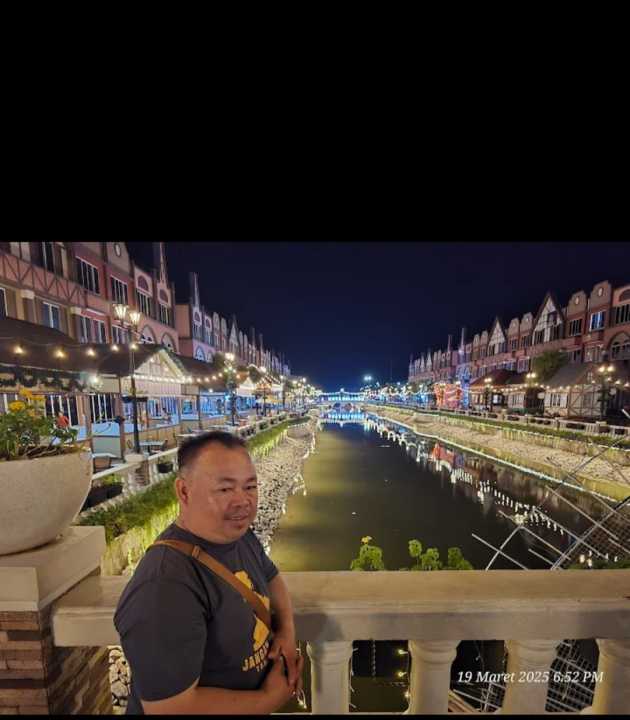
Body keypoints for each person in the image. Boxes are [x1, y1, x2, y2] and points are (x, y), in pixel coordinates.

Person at [114, 431, 303, 715]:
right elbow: (170, 709)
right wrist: (269, 699)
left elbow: (271, 576)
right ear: (184, 492)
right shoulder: (164, 586)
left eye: (250, 487)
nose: (243, 501)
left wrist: (286, 630)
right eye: (225, 489)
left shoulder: (240, 537)